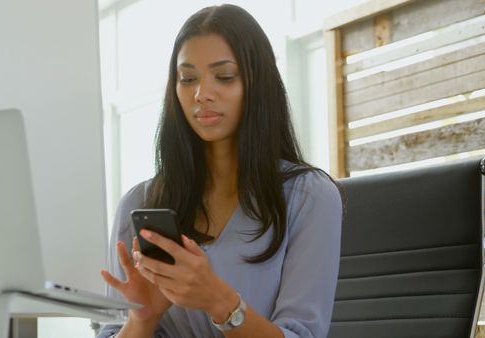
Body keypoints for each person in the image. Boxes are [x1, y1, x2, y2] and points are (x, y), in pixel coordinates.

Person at [98, 4, 342, 338]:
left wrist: (220, 302)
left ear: (259, 83)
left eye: (224, 77)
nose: (202, 94)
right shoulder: (140, 202)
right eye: (188, 79)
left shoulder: (308, 197)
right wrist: (142, 319)